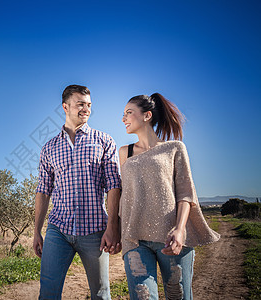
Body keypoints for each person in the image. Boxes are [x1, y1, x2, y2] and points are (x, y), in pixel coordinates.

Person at [119, 93, 220, 300]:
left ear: (147, 115)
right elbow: (122, 193)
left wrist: (181, 230)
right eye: (123, 114)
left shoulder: (174, 148)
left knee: (179, 296)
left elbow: (185, 193)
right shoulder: (124, 153)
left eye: (129, 113)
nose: (124, 118)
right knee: (142, 296)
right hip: (134, 239)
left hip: (172, 239)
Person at [33, 84, 122, 300]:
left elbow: (114, 185)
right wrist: (37, 231)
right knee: (48, 292)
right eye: (80, 104)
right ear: (65, 106)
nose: (86, 109)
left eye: (89, 105)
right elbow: (43, 191)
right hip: (58, 230)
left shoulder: (104, 141)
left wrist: (112, 227)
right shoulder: (49, 148)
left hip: (95, 231)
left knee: (101, 294)